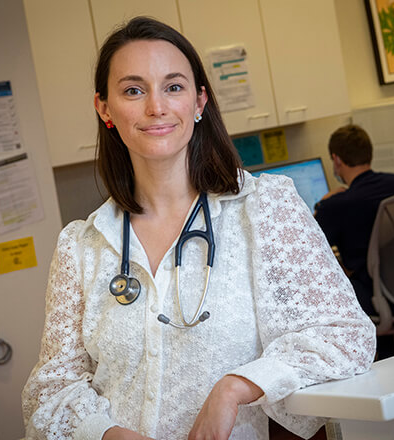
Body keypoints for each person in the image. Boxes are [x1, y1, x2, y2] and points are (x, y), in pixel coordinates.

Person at [22, 18, 375, 440]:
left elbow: (345, 335)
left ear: (199, 101)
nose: (156, 107)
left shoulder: (263, 209)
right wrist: (110, 434)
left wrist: (235, 387)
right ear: (104, 108)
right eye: (133, 90)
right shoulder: (82, 246)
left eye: (173, 86)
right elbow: (50, 392)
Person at [314, 124, 394, 318]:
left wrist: (322, 204)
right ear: (369, 153)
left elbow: (308, 251)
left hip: (373, 298)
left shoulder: (334, 206)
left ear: (336, 159)